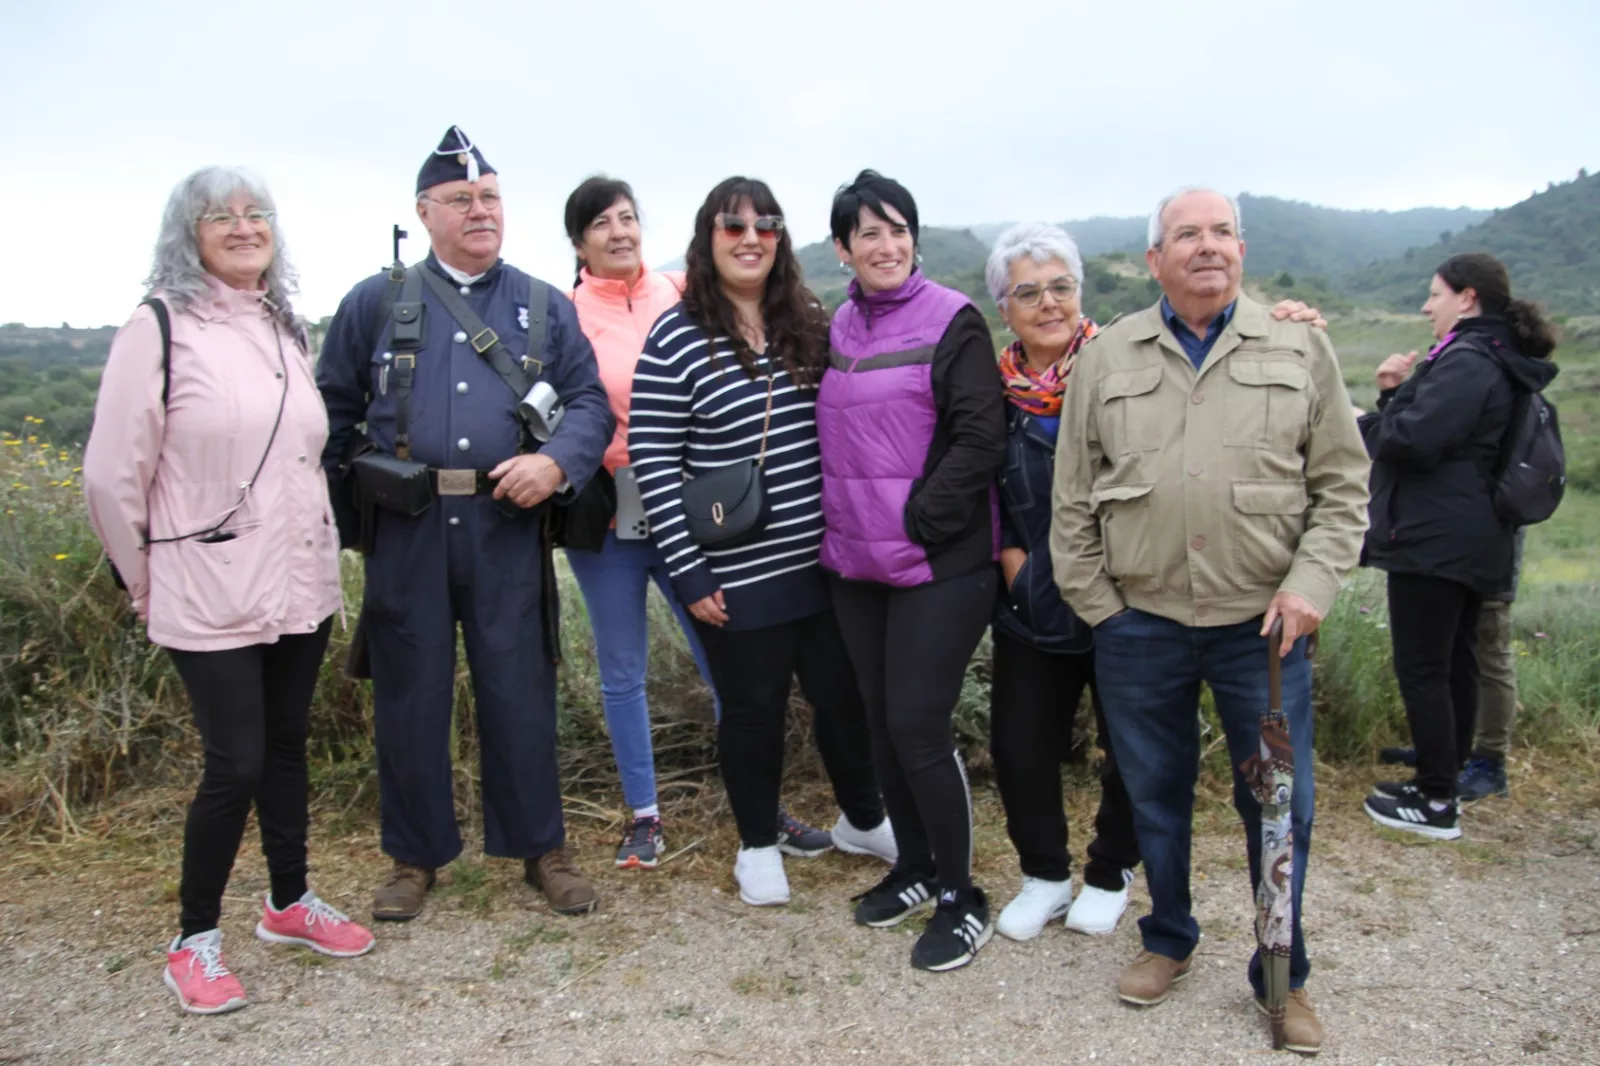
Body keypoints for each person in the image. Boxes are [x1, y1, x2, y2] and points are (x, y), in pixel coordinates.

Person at [1052, 187, 1370, 1053]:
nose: (1207, 247)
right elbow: (1072, 498)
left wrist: (1311, 588)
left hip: (1261, 635)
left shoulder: (1299, 345)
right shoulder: (1110, 355)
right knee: (1153, 795)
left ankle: (1281, 974)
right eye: (1185, 235)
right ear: (1154, 259)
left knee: (1279, 807)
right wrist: (1102, 611)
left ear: (1243, 249)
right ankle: (1169, 940)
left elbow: (1343, 485)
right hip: (1140, 626)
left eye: (1221, 232)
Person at [84, 166, 374, 1015]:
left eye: (258, 214)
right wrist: (146, 581)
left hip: (297, 579)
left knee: (285, 748)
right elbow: (110, 476)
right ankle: (194, 941)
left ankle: (288, 903)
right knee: (234, 762)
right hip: (204, 585)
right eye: (222, 217)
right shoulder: (158, 328)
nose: (244, 227)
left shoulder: (285, 325)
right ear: (189, 233)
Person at [318, 128, 613, 921]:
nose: (479, 211)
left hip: (505, 524)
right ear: (424, 211)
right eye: (460, 200)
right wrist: (356, 510)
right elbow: (333, 412)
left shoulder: (545, 305)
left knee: (520, 691)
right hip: (407, 532)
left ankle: (540, 848)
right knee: (410, 697)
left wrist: (556, 464)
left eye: (490, 198)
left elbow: (587, 401)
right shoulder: (374, 301)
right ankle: (413, 858)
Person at [629, 176, 895, 908]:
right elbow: (651, 457)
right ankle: (756, 846)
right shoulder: (676, 334)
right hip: (734, 575)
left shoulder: (807, 320)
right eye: (733, 226)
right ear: (707, 238)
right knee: (753, 711)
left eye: (766, 226)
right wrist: (686, 572)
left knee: (843, 702)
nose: (751, 239)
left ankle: (866, 820)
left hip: (824, 561)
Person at [562, 176, 841, 867]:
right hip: (610, 508)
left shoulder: (678, 294)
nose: (620, 231)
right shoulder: (565, 317)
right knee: (623, 667)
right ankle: (644, 813)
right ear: (579, 242)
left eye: (629, 217)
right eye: (603, 223)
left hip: (703, 513)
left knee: (736, 674)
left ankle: (763, 809)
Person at [819, 170, 1007, 973]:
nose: (885, 245)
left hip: (940, 562)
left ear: (915, 240)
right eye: (868, 233)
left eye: (897, 230)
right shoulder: (837, 326)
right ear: (843, 249)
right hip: (854, 562)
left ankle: (964, 895)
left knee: (921, 726)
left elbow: (980, 440)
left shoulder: (953, 320)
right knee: (881, 719)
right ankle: (917, 867)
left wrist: (920, 519)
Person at [1359, 253, 1557, 839]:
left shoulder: (1467, 360)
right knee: (1455, 663)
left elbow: (1416, 440)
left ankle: (1437, 800)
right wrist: (1396, 395)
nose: (1427, 305)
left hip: (1435, 536)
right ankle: (1437, 777)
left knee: (1424, 665)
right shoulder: (1497, 356)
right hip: (1473, 534)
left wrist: (1373, 414)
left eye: (1435, 294)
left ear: (1466, 298)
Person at [981, 223, 1140, 943]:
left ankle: (1111, 870)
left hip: (1126, 596)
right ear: (1004, 308)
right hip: (1032, 598)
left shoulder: (1127, 369)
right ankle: (1044, 875)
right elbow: (974, 482)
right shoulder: (991, 388)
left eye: (1061, 287)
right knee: (1019, 742)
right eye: (1027, 292)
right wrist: (1011, 560)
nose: (1048, 303)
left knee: (1130, 742)